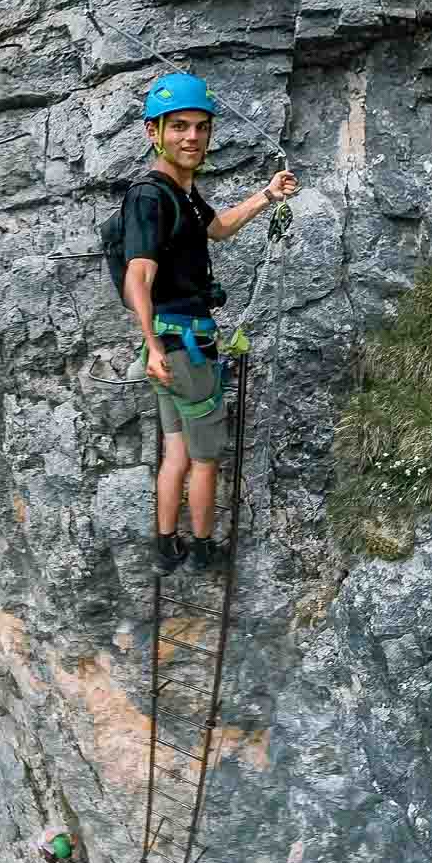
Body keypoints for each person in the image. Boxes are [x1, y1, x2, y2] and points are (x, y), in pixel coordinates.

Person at [122, 72, 299, 576]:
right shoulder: (151, 196)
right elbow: (138, 275)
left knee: (177, 450)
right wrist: (154, 345)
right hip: (184, 351)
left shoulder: (182, 192)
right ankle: (201, 550)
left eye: (200, 127)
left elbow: (217, 229)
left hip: (170, 350)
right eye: (179, 126)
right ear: (154, 132)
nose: (192, 137)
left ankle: (165, 548)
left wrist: (267, 195)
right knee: (204, 459)